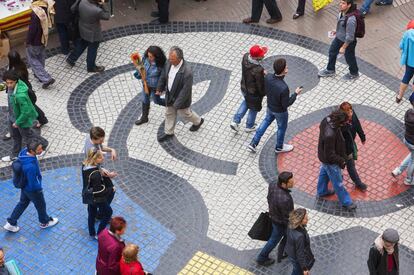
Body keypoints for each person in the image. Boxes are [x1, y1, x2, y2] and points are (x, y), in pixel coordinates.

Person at [248, 58, 302, 153]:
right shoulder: (284, 88)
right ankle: (279, 147)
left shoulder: (268, 77)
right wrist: (295, 94)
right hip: (280, 112)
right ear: (284, 71)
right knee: (281, 127)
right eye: (286, 67)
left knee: (265, 122)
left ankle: (254, 143)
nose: (287, 68)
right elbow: (286, 104)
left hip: (270, 106)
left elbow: (266, 75)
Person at [3, 140, 58, 233]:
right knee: (41, 205)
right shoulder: (30, 167)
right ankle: (44, 222)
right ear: (32, 151)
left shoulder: (24, 153)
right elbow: (33, 183)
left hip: (25, 187)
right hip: (32, 190)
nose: (42, 150)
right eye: (39, 149)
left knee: (22, 203)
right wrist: (39, 189)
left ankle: (11, 223)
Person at [156, 46, 204, 142]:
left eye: (172, 59)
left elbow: (185, 90)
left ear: (179, 59)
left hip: (181, 99)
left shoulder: (187, 72)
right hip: (170, 95)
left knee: (185, 114)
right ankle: (169, 132)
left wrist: (177, 105)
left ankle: (198, 121)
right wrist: (159, 88)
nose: (170, 60)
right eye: (169, 58)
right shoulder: (168, 62)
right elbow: (163, 76)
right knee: (169, 113)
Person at [1, 70, 49, 162]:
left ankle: (42, 145)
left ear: (16, 81)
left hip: (20, 120)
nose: (9, 85)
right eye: (7, 83)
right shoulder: (13, 86)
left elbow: (26, 111)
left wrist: (18, 122)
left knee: (28, 136)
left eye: (11, 83)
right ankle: (15, 155)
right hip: (12, 116)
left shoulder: (20, 95)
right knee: (17, 136)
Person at [316, 110, 357, 210]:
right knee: (338, 182)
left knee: (324, 172)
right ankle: (346, 202)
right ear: (340, 122)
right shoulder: (330, 134)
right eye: (345, 122)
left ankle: (322, 191)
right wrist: (342, 161)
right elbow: (330, 155)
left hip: (323, 157)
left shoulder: (326, 120)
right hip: (331, 161)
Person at [256, 171, 295, 266]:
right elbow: (287, 217)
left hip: (274, 216)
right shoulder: (285, 199)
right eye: (290, 182)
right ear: (283, 184)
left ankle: (285, 251)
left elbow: (268, 197)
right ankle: (261, 257)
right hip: (280, 222)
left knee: (284, 236)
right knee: (274, 240)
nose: (293, 182)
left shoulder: (273, 184)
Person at [318, 0, 360, 81]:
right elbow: (342, 25)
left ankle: (354, 73)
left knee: (349, 58)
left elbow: (350, 37)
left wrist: (344, 47)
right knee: (332, 52)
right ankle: (330, 70)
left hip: (348, 42)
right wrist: (337, 30)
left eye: (343, 3)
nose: (340, 5)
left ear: (349, 5)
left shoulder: (351, 19)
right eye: (340, 2)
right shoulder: (341, 12)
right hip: (338, 38)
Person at [230, 45, 267, 133]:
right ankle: (249, 126)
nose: (264, 55)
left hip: (244, 87)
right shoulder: (258, 70)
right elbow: (260, 85)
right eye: (262, 54)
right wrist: (264, 93)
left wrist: (261, 72)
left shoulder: (245, 57)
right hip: (253, 92)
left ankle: (236, 121)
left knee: (246, 102)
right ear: (257, 57)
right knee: (253, 108)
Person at [66, 0, 110, 73]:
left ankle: (71, 59)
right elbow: (107, 16)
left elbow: (72, 8)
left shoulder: (82, 1)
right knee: (92, 49)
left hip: (82, 27)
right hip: (93, 33)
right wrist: (103, 4)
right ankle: (91, 67)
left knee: (82, 44)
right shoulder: (97, 10)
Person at [8, 50, 49, 127]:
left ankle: (42, 119)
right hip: (27, 86)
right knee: (31, 104)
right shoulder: (21, 65)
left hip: (24, 89)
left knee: (31, 105)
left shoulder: (16, 72)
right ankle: (42, 119)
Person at [82, 149, 115, 239]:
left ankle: (92, 233)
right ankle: (100, 233)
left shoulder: (85, 165)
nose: (103, 158)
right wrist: (111, 189)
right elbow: (99, 191)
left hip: (88, 195)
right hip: (97, 198)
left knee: (91, 213)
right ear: (95, 159)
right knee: (108, 212)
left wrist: (100, 170)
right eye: (100, 157)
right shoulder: (96, 175)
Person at [132, 46, 167, 126]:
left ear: (156, 56)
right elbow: (141, 67)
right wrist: (139, 72)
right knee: (144, 99)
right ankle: (144, 118)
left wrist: (160, 88)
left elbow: (163, 77)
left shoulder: (161, 65)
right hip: (145, 84)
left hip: (155, 87)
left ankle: (171, 103)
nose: (149, 58)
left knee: (156, 101)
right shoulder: (146, 58)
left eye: (151, 56)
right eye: (148, 55)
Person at [26, 0, 55, 89]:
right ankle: (39, 74)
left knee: (33, 59)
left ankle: (46, 78)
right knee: (40, 57)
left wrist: (28, 41)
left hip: (35, 41)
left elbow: (32, 30)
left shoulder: (35, 13)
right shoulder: (47, 6)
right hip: (43, 37)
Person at [339, 102, 368, 191]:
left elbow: (357, 124)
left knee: (350, 164)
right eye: (348, 113)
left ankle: (358, 183)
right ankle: (357, 183)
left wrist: (362, 136)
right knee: (345, 164)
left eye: (351, 111)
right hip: (341, 147)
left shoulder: (352, 114)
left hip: (349, 144)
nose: (351, 114)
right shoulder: (340, 124)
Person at [391, 93, 414, 186]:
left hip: (407, 140)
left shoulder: (408, 112)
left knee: (412, 155)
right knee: (413, 160)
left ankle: (398, 170)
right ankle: (408, 180)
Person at [285, 208, 315, 275]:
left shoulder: (291, 223)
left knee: (296, 269)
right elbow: (300, 254)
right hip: (296, 257)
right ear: (299, 220)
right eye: (305, 218)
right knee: (297, 271)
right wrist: (305, 269)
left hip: (291, 252)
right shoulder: (300, 236)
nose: (307, 219)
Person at [396, 20, 414, 104]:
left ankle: (399, 96)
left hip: (409, 62)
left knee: (406, 77)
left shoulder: (407, 33)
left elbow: (400, 46)